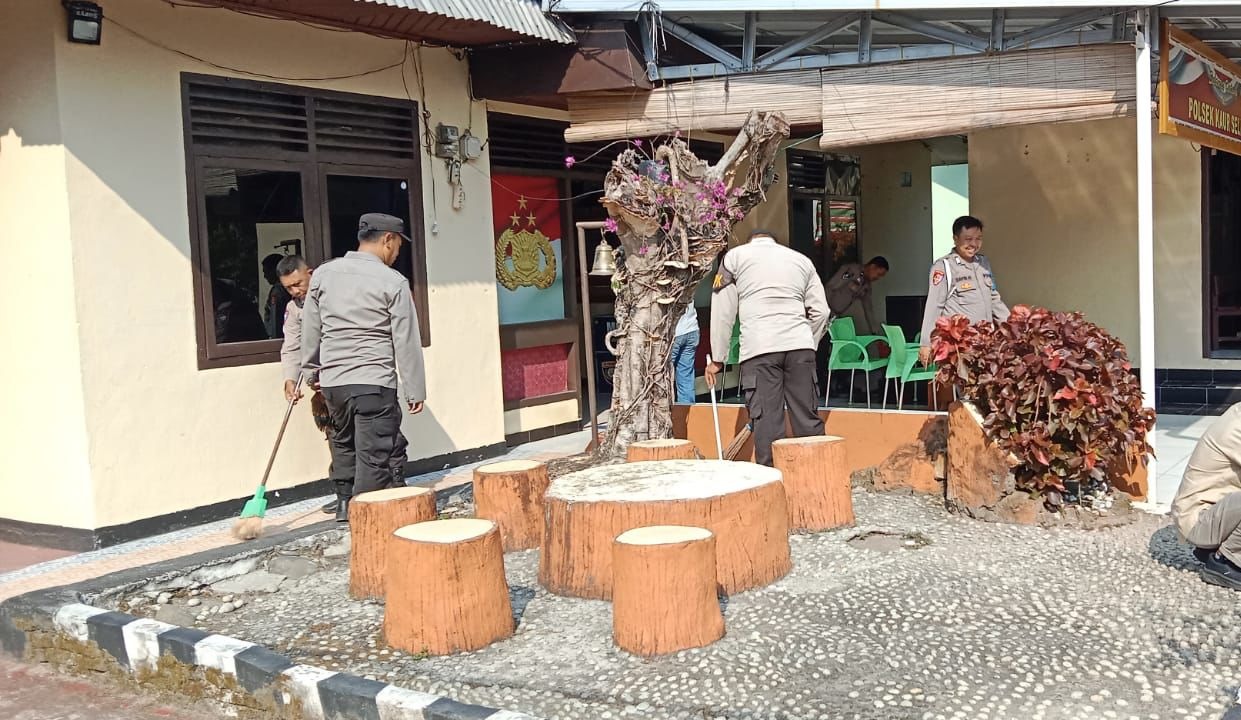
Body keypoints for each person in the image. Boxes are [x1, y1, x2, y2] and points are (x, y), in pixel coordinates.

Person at [301, 214, 426, 522]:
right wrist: (415, 389)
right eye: (397, 245)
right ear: (387, 239)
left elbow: (311, 328)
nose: (397, 253)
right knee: (374, 453)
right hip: (373, 380)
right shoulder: (393, 281)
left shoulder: (324, 275)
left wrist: (310, 370)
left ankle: (345, 505)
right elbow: (406, 341)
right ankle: (369, 519)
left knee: (343, 442)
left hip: (334, 382)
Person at [705, 230, 830, 467]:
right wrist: (808, 342)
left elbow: (723, 311)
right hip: (800, 347)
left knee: (768, 421)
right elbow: (821, 311)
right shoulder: (802, 260)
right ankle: (817, 474)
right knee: (807, 417)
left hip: (759, 348)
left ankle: (773, 480)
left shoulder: (734, 258)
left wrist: (718, 358)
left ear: (751, 241)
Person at [917, 216, 1010, 366]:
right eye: (968, 239)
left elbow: (994, 300)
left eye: (978, 238)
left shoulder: (983, 263)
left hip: (985, 343)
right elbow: (935, 305)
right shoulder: (944, 267)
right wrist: (926, 343)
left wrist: (1012, 328)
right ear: (955, 239)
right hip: (960, 347)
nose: (974, 244)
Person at [1172, 403, 1241, 590]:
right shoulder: (1238, 424)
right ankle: (1227, 561)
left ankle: (1219, 547)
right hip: (1199, 521)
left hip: (1216, 514)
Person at [825, 256, 889, 335]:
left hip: (837, 316)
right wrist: (823, 309)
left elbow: (868, 308)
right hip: (826, 310)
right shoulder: (851, 271)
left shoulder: (866, 285)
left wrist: (874, 330)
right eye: (879, 274)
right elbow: (831, 287)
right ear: (872, 266)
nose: (878, 278)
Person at [670, 304, 699, 404]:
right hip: (692, 328)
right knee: (686, 378)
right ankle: (687, 414)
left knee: (663, 377)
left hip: (674, 332)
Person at [263, 253, 292, 339]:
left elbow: (276, 317)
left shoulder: (278, 291)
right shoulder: (288, 288)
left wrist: (275, 340)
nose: (265, 276)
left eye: (266, 271)